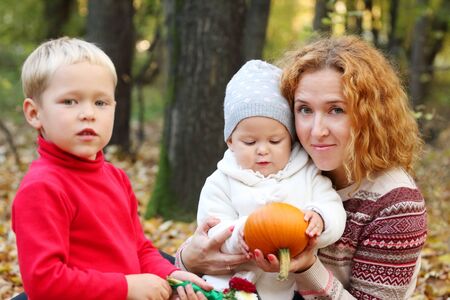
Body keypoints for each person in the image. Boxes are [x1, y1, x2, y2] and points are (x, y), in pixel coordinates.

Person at [177, 36, 427, 299]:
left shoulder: (396, 206)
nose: (317, 131)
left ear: (370, 114)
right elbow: (217, 232)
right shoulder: (286, 165)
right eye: (305, 109)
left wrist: (308, 267)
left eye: (336, 110)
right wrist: (188, 259)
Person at [12, 37, 210, 300]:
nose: (88, 113)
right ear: (34, 113)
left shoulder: (115, 178)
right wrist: (126, 287)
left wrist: (169, 274)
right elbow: (44, 282)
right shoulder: (43, 187)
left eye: (101, 103)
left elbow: (139, 249)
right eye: (70, 102)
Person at [192, 60, 346, 299]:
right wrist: (240, 233)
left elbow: (333, 207)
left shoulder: (306, 173)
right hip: (229, 286)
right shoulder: (221, 181)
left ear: (291, 139)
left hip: (283, 291)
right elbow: (211, 229)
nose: (262, 150)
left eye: (275, 141)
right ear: (230, 142)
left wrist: (321, 219)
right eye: (250, 142)